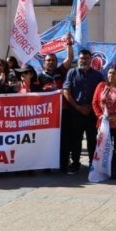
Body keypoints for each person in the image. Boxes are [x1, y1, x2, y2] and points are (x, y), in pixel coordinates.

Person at [63, 49, 104, 174]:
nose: (84, 60)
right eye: (82, 58)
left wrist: (92, 108)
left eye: (86, 58)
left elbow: (101, 93)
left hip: (92, 113)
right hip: (75, 111)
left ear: (91, 60)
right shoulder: (71, 72)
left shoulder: (98, 75)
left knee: (92, 139)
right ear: (78, 59)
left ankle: (93, 163)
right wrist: (77, 107)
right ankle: (75, 163)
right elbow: (66, 91)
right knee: (76, 139)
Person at [38, 37, 74, 173]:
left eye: (53, 60)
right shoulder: (39, 78)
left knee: (64, 140)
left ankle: (63, 165)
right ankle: (46, 166)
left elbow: (69, 59)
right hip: (47, 115)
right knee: (47, 140)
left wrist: (69, 44)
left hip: (63, 112)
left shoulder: (61, 72)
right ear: (44, 63)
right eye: (48, 61)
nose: (51, 63)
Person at [93, 66, 116, 178]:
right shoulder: (101, 86)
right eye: (109, 73)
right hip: (104, 123)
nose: (111, 75)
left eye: (114, 73)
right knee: (104, 148)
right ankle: (103, 170)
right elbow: (95, 102)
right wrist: (101, 116)